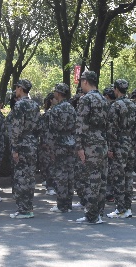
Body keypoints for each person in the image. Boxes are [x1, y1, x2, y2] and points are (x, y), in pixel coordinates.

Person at [75, 71, 109, 224]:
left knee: (91, 180)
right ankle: (99, 213)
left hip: (90, 144)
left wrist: (79, 147)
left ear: (85, 81)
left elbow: (80, 124)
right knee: (101, 180)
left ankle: (91, 215)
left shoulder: (86, 99)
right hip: (102, 142)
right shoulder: (103, 99)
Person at [7, 79, 41, 219]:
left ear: (21, 89)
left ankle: (23, 210)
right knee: (30, 177)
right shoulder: (35, 105)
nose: (15, 90)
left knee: (21, 177)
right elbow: (39, 127)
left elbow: (16, 128)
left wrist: (14, 148)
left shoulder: (19, 105)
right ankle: (29, 207)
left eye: (17, 88)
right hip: (32, 143)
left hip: (22, 144)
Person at [106, 79, 136, 219]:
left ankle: (120, 209)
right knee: (128, 177)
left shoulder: (115, 106)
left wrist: (111, 147)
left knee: (118, 177)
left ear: (117, 89)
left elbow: (111, 129)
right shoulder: (133, 104)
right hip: (129, 143)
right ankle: (128, 207)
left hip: (119, 144)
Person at [48, 83, 77, 213]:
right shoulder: (71, 108)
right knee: (70, 173)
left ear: (58, 93)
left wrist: (51, 147)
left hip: (59, 143)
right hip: (71, 142)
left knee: (60, 174)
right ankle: (68, 204)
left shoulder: (56, 109)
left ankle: (61, 205)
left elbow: (52, 130)